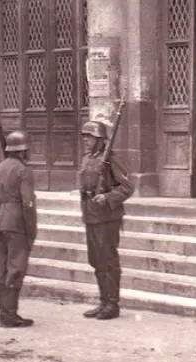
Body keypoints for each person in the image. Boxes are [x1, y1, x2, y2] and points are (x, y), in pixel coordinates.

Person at [78, 120, 134, 320]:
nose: (86, 140)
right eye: (84, 136)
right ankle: (103, 301)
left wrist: (108, 197)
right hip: (91, 214)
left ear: (100, 139)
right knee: (96, 259)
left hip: (107, 216)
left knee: (108, 259)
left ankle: (112, 304)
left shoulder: (112, 159)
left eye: (90, 136)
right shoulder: (87, 158)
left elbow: (127, 187)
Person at [0, 131, 37, 328]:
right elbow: (28, 203)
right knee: (16, 268)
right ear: (22, 151)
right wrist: (31, 229)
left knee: (3, 269)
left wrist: (2, 211)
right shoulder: (24, 170)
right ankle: (10, 315)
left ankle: (4, 313)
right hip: (17, 225)